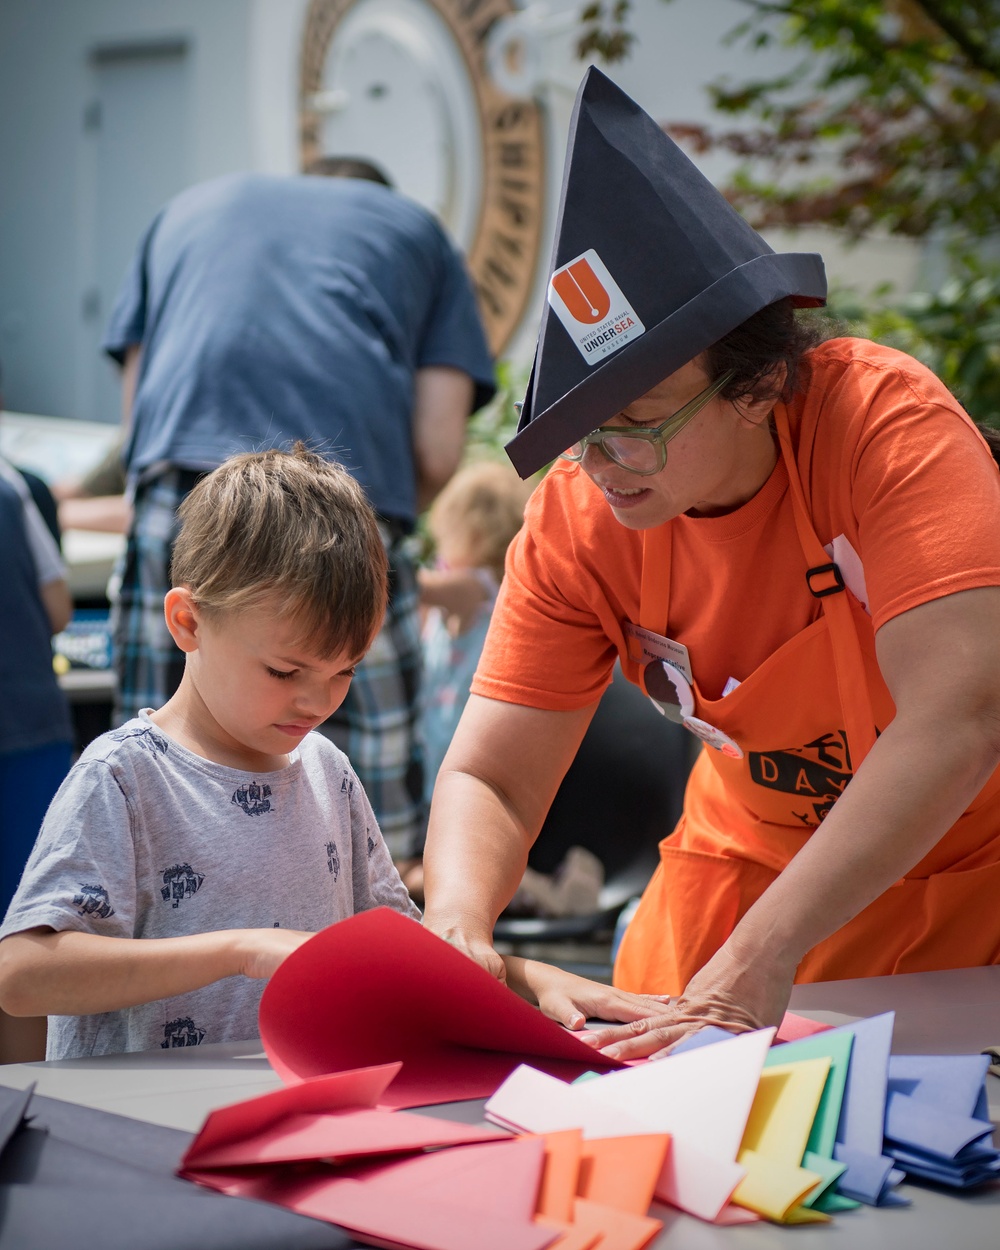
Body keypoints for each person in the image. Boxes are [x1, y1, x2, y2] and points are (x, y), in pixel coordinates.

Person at [420, 68, 1000, 1058]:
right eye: (578, 434)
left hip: (953, 880)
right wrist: (459, 925)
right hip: (733, 876)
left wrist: (769, 946)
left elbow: (961, 715)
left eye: (635, 429)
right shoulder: (579, 516)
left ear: (759, 383)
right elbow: (495, 776)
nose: (599, 467)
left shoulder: (880, 431)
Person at [0, 446, 665, 1060]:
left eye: (344, 672)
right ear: (188, 622)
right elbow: (24, 975)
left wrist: (528, 977)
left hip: (294, 1121)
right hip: (144, 1145)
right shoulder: (124, 778)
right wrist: (241, 951)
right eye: (286, 673)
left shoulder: (326, 772)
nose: (317, 703)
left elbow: (407, 958)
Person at [102, 157, 496, 861]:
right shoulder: (418, 234)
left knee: (150, 773)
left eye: (334, 677)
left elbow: (138, 429)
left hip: (176, 489)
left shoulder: (187, 207)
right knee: (380, 809)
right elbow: (437, 452)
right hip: (352, 493)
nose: (314, 696)